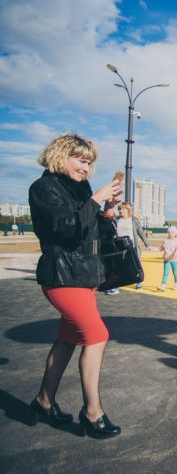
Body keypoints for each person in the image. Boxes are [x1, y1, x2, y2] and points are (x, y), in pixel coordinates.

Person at [28, 133, 123, 438]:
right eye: (81, 161)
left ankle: (44, 401)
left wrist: (106, 210)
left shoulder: (80, 188)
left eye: (89, 163)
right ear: (61, 156)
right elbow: (67, 229)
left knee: (68, 339)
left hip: (83, 276)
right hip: (61, 275)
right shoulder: (44, 188)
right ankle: (92, 413)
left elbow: (93, 232)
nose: (86, 169)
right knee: (97, 336)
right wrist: (94, 200)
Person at [106, 201, 149, 293]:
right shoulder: (116, 219)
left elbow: (140, 232)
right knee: (118, 267)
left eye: (123, 209)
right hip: (118, 247)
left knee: (135, 265)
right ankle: (116, 287)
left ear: (128, 210)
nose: (121, 211)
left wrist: (147, 244)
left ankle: (139, 281)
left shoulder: (134, 220)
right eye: (120, 209)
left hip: (131, 246)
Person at [157, 226, 177, 291]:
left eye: (172, 232)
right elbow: (160, 248)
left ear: (175, 233)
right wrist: (152, 248)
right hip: (166, 260)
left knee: (175, 272)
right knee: (166, 272)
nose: (170, 234)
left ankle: (176, 284)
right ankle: (163, 285)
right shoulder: (166, 241)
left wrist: (173, 256)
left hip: (174, 260)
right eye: (169, 232)